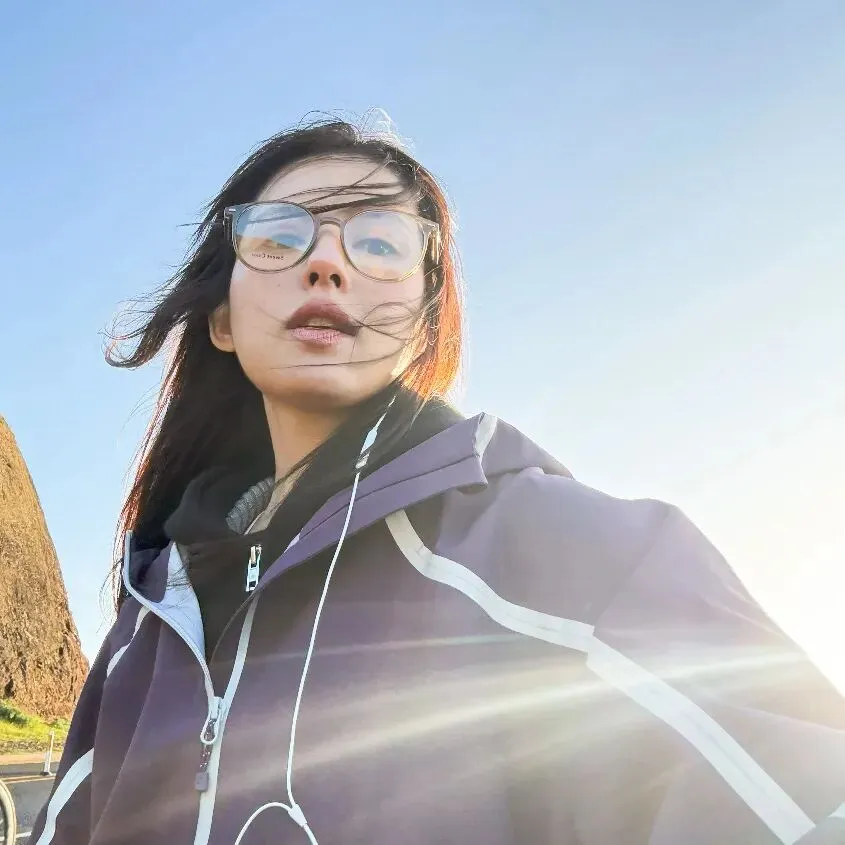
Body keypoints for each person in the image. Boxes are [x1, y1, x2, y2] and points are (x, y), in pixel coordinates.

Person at [33, 117, 845, 845]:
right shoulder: (145, 630)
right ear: (220, 319)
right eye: (279, 238)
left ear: (424, 319)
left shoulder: (558, 548)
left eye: (380, 243)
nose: (327, 264)